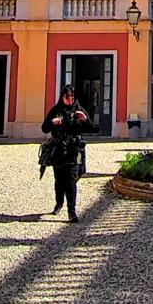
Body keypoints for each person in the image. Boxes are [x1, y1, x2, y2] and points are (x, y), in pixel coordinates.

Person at [41, 85, 91, 222]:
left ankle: (72, 211)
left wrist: (84, 119)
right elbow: (44, 128)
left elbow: (91, 128)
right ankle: (59, 203)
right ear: (62, 97)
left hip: (73, 150)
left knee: (71, 181)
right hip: (58, 150)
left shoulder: (78, 110)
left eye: (72, 97)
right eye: (67, 97)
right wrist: (52, 122)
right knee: (59, 180)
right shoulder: (56, 110)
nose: (70, 100)